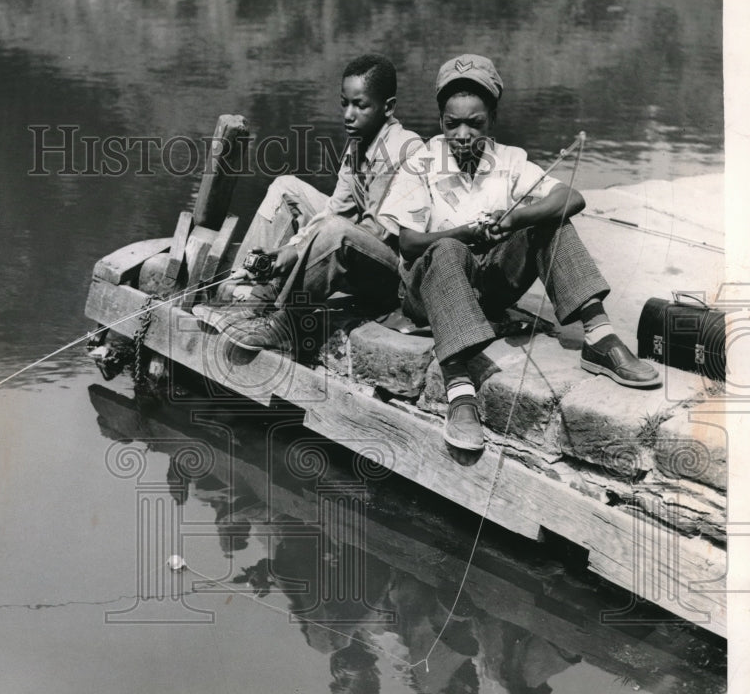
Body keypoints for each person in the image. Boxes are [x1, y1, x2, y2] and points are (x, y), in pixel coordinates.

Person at [376, 54, 660, 452]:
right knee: (446, 247)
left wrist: (513, 221)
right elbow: (407, 243)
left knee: (550, 219)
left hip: (488, 289)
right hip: (429, 290)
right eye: (451, 123)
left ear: (491, 118)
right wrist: (464, 234)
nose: (462, 135)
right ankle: (459, 390)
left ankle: (600, 337)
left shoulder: (509, 160)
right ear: (440, 120)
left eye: (474, 123)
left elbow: (571, 197)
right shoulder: (420, 163)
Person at [206, 54, 425, 352]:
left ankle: (284, 321)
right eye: (344, 103)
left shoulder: (404, 149)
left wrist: (296, 253)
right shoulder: (359, 140)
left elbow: (375, 233)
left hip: (392, 276)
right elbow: (337, 207)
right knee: (287, 188)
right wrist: (285, 251)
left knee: (336, 231)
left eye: (360, 105)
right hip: (358, 247)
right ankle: (247, 287)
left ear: (388, 107)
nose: (348, 114)